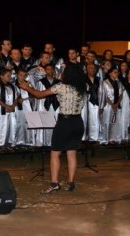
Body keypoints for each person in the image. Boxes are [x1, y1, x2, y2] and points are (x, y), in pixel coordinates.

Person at [19, 63, 87, 193]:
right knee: (72, 153)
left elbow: (39, 95)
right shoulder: (82, 89)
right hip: (78, 122)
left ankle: (54, 183)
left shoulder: (61, 87)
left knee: (55, 153)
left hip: (64, 123)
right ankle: (71, 182)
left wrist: (27, 88)